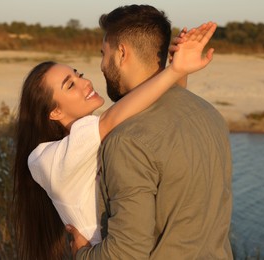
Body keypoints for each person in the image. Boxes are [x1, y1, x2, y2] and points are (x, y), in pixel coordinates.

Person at [12, 15, 219, 260]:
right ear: (54, 112)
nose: (85, 82)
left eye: (78, 74)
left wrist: (176, 69)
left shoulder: (99, 138)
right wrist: (174, 71)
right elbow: (117, 119)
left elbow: (156, 120)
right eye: (70, 85)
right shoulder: (46, 159)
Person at [67, 4, 233, 259]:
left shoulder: (127, 140)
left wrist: (80, 253)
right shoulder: (208, 114)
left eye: (103, 53)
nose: (101, 65)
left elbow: (127, 253)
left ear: (122, 53)